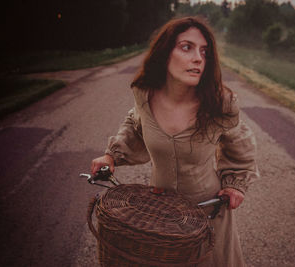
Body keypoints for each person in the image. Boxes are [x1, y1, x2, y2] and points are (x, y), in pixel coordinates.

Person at [91, 16, 259, 267]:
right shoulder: (145, 95)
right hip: (158, 213)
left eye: (204, 51)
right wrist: (111, 155)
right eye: (186, 47)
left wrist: (235, 184)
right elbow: (135, 126)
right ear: (165, 52)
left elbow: (239, 144)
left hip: (208, 213)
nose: (198, 58)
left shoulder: (219, 103)